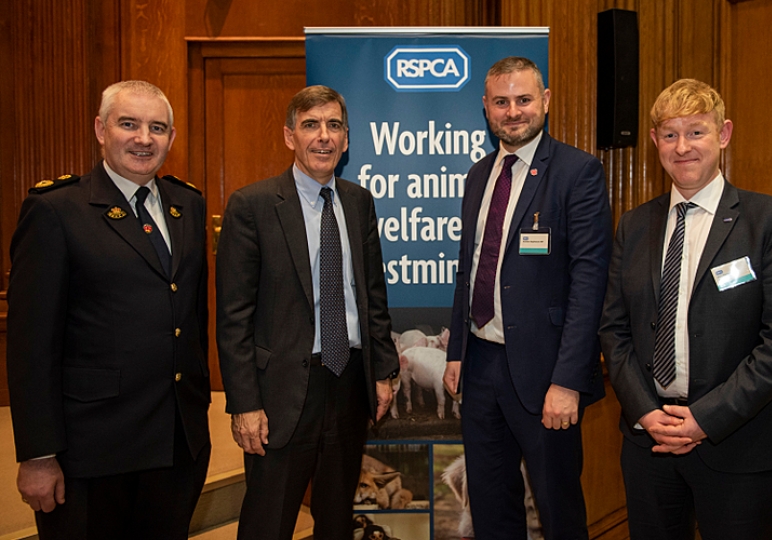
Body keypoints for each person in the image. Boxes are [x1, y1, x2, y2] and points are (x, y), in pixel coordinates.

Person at [599, 79, 772, 539]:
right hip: (648, 443)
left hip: (740, 445)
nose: (683, 147)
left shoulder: (770, 221)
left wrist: (703, 420)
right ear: (654, 142)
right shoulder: (633, 226)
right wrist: (646, 412)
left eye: (697, 132)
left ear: (724, 134)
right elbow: (613, 330)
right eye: (670, 134)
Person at [6, 80, 211, 539]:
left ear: (172, 138)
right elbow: (30, 345)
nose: (144, 138)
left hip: (176, 443)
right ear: (101, 130)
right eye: (129, 124)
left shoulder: (188, 205)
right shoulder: (57, 210)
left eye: (157, 127)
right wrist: (38, 454)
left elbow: (192, 319)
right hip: (91, 451)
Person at [216, 85, 399, 540]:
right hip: (281, 392)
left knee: (336, 520)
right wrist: (245, 404)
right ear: (289, 136)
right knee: (269, 520)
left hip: (349, 382)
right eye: (311, 125)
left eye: (334, 125)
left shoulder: (358, 202)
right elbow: (234, 316)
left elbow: (372, 295)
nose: (324, 136)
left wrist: (383, 371)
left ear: (347, 139)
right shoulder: (252, 206)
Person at [442, 56, 612, 539]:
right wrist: (456, 351)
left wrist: (568, 381)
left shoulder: (578, 173)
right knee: (492, 510)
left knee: (558, 512)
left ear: (546, 101)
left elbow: (589, 282)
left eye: (523, 99)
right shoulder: (479, 175)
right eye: (501, 102)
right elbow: (469, 268)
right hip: (480, 371)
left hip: (545, 374)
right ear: (486, 108)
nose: (513, 111)